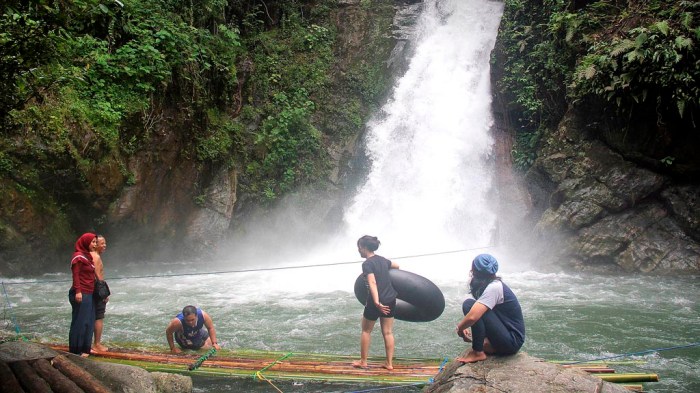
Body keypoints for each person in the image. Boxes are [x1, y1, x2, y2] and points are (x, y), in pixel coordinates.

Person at [455, 254, 525, 363]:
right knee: (472, 306)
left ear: (475, 271)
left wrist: (460, 328)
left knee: (468, 305)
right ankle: (488, 344)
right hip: (508, 336)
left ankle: (478, 352)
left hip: (512, 341)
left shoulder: (494, 287)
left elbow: (473, 317)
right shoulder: (490, 285)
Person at [353, 235, 400, 370]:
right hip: (390, 299)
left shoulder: (367, 264)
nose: (358, 250)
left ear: (365, 248)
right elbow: (397, 266)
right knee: (388, 332)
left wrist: (376, 302)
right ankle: (389, 364)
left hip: (376, 301)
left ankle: (363, 361)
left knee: (366, 331)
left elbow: (372, 282)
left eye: (359, 247)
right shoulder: (383, 260)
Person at [68, 232, 98, 357]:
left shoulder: (88, 256)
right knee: (80, 322)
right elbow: (76, 275)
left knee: (89, 321)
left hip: (89, 292)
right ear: (86, 242)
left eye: (96, 242)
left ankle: (86, 348)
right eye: (93, 242)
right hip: (81, 293)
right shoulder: (78, 256)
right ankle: (76, 350)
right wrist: (78, 291)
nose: (95, 244)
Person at [92, 234, 109, 352]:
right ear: (95, 244)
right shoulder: (96, 257)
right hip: (97, 290)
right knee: (99, 317)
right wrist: (104, 293)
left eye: (105, 243)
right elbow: (97, 276)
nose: (104, 245)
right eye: (102, 243)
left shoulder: (91, 256)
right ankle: (97, 344)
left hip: (92, 290)